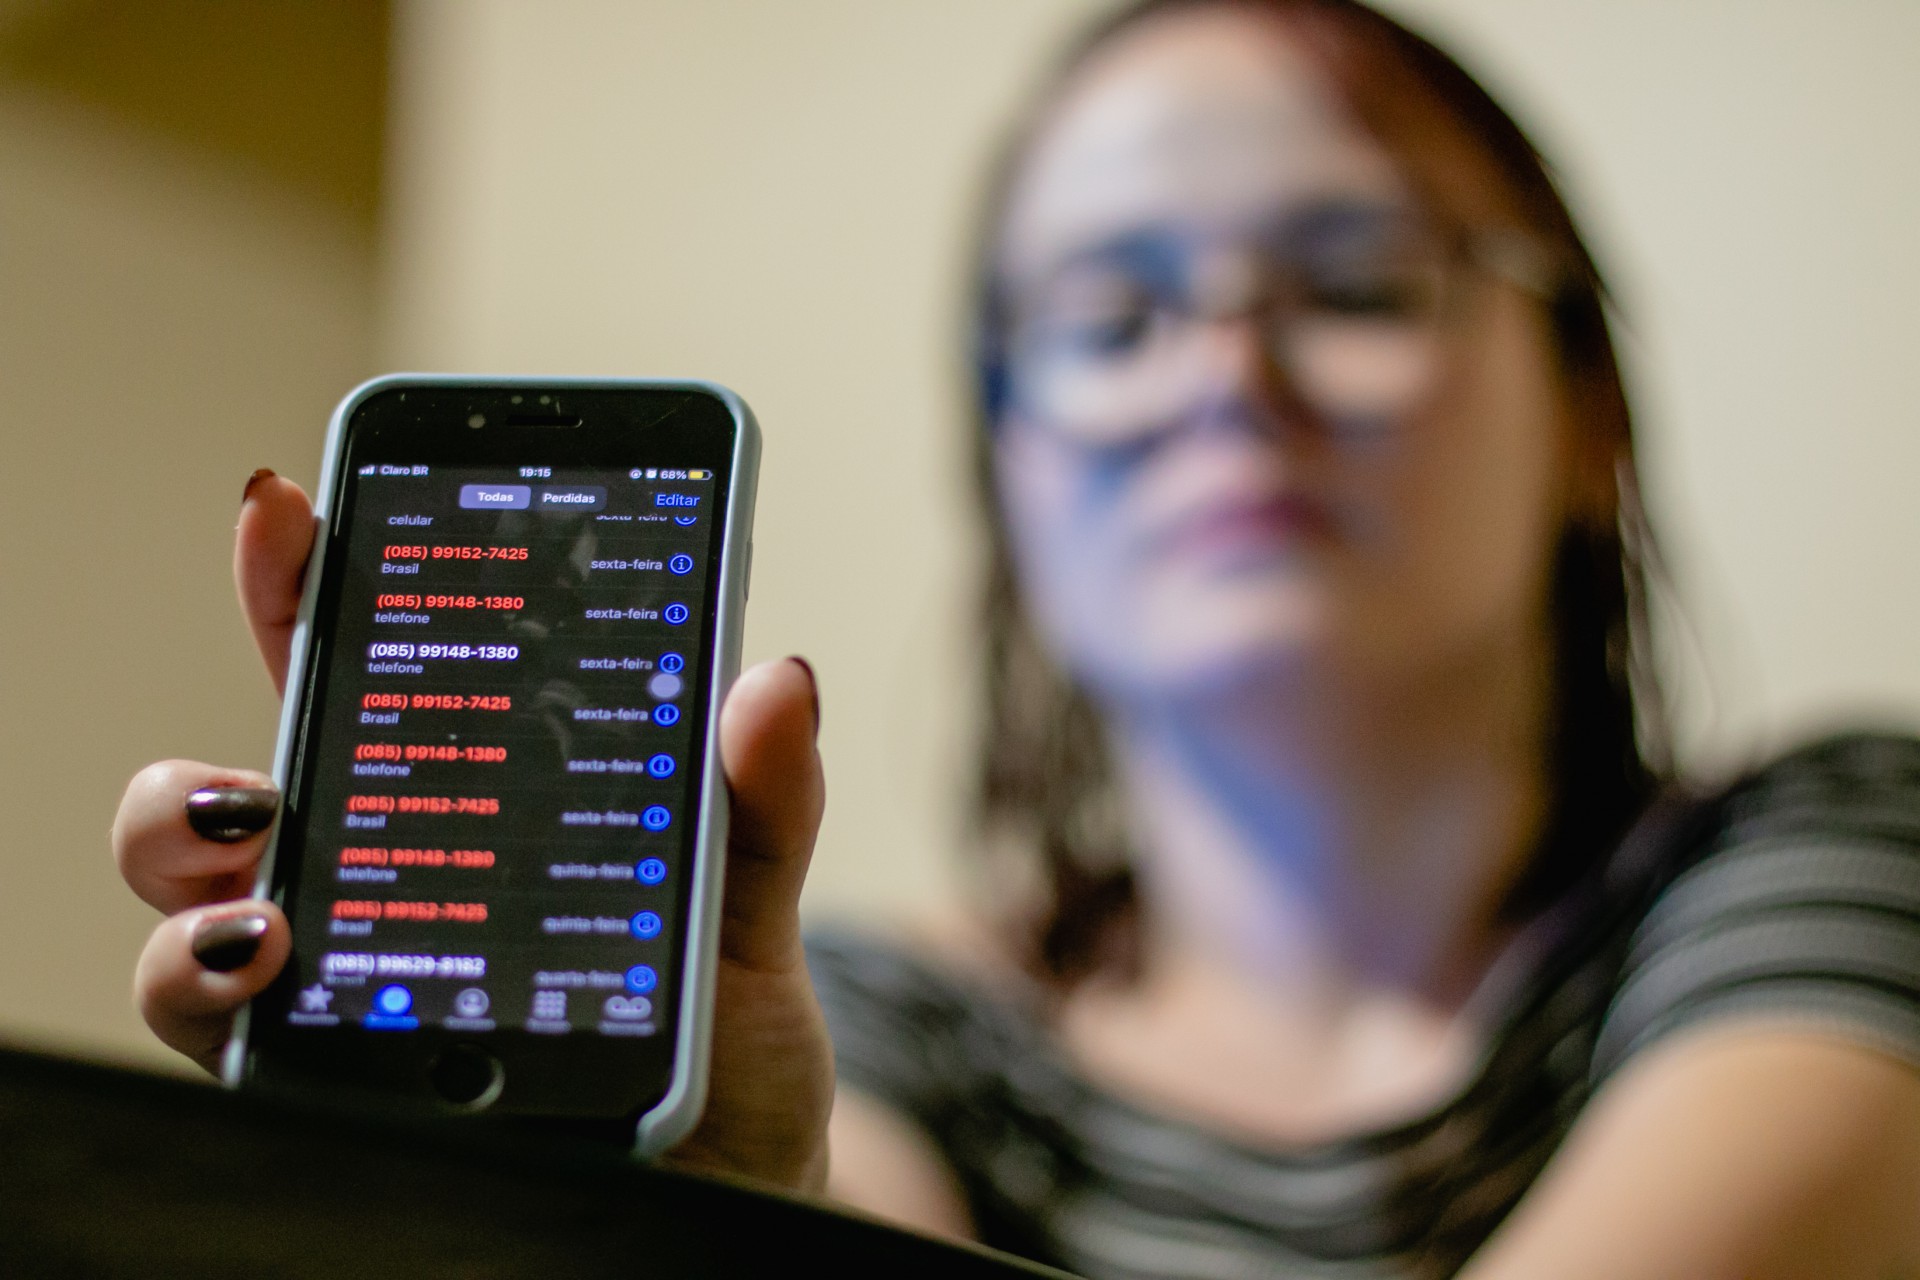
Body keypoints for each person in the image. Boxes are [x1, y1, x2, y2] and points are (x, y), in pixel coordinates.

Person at [114, 1, 1920, 1276]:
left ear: (1589, 412)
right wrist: (706, 1212)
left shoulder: (1843, 853)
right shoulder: (877, 1029)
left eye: (1359, 285)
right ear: (1014, 474)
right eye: (1106, 317)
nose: (1225, 374)